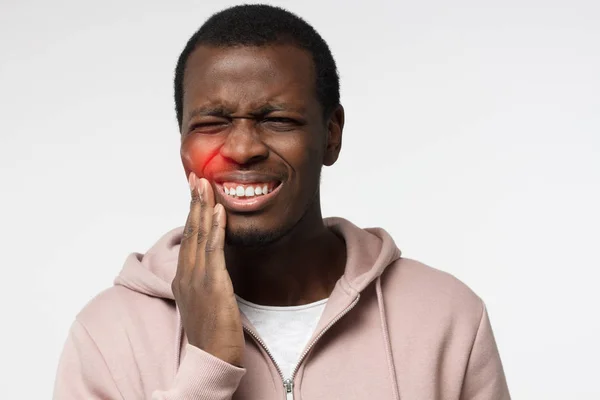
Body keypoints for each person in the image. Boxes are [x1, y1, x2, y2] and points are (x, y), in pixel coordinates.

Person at [53, 4, 510, 399]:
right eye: (212, 122)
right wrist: (207, 368)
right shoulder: (109, 334)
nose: (242, 147)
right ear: (182, 145)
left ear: (331, 135)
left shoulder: (445, 317)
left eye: (277, 119)